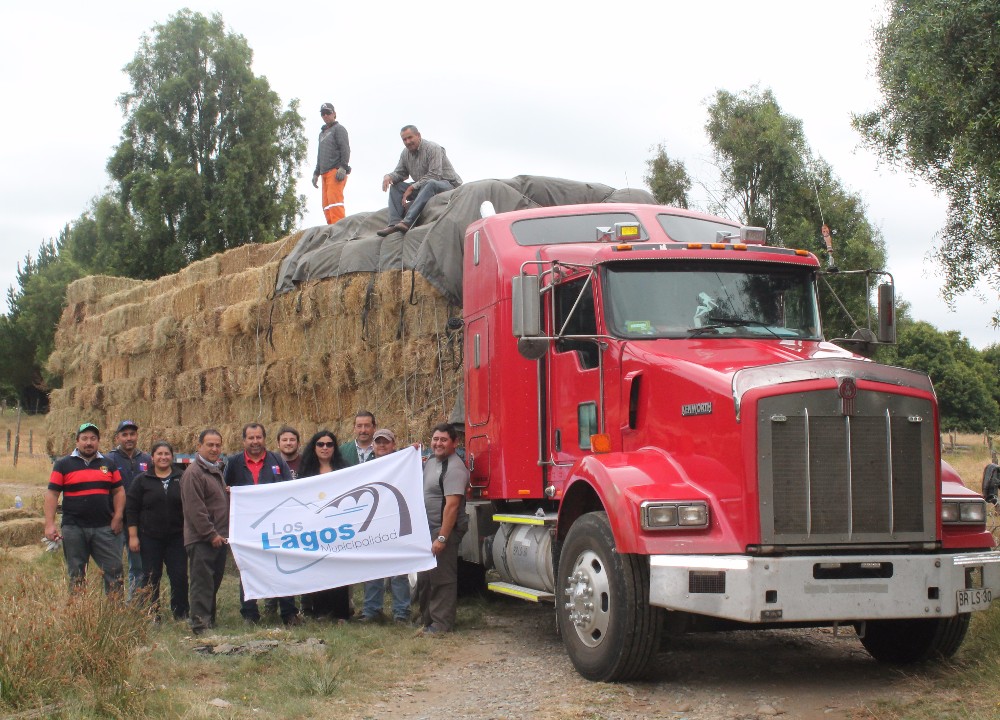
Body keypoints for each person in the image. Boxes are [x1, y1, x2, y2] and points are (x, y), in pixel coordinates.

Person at [224, 423, 299, 626]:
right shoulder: (233, 463)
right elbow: (225, 490)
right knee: (247, 569)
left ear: (264, 439)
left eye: (259, 437)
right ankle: (249, 613)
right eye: (251, 438)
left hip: (275, 525)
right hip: (247, 527)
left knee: (283, 566)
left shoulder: (277, 461)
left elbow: (288, 490)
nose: (255, 442)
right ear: (244, 441)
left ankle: (289, 613)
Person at [44, 422, 125, 594]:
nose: (89, 443)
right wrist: (49, 524)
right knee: (77, 573)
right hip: (74, 527)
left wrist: (118, 516)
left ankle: (115, 614)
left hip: (104, 527)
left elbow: (119, 491)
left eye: (93, 439)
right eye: (85, 438)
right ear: (77, 441)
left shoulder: (108, 464)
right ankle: (78, 614)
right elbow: (52, 494)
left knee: (114, 570)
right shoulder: (63, 464)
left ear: (98, 441)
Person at [415, 423, 469, 635]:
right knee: (426, 578)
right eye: (435, 439)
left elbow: (452, 505)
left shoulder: (454, 468)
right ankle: (427, 619)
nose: (438, 443)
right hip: (427, 529)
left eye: (443, 440)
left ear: (455, 443)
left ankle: (441, 624)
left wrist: (443, 537)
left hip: (442, 529)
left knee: (442, 579)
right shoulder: (431, 461)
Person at [125, 441, 188, 621]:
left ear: (172, 456)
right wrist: (133, 536)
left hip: (177, 537)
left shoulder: (182, 478)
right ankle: (153, 614)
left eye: (167, 454)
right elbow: (131, 509)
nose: (163, 457)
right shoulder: (142, 480)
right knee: (151, 577)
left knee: (179, 576)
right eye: (159, 454)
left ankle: (181, 613)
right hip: (150, 537)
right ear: (152, 457)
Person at [358, 428, 412, 624]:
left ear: (394, 444)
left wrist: (413, 453)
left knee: (399, 571)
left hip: (397, 522)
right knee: (372, 569)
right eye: (378, 442)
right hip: (373, 523)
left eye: (386, 442)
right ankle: (372, 611)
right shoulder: (365, 467)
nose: (382, 445)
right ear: (372, 445)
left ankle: (401, 613)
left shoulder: (403, 464)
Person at [298, 430, 352, 621]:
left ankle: (341, 613)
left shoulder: (344, 470)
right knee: (318, 568)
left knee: (338, 569)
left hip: (338, 526)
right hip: (315, 527)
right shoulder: (306, 472)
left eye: (329, 444)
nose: (325, 448)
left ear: (334, 448)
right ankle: (320, 611)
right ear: (314, 447)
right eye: (320, 444)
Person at [181, 429, 229, 635]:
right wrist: (211, 534)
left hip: (218, 538)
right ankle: (200, 625)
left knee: (213, 581)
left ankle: (209, 621)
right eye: (210, 445)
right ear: (199, 445)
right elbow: (195, 509)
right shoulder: (194, 473)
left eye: (218, 445)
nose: (214, 449)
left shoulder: (215, 470)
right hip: (203, 539)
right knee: (202, 582)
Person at [375, 125, 462, 237]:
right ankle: (394, 223)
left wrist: (413, 187)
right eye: (404, 139)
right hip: (423, 187)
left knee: (430, 183)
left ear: (418, 135)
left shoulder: (433, 148)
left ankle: (407, 221)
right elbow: (401, 173)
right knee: (396, 187)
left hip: (447, 185)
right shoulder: (405, 153)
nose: (408, 141)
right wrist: (389, 176)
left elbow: (435, 175)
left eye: (410, 137)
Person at [107, 419, 153, 599]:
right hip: (116, 521)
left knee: (138, 565)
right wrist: (112, 515)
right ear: (117, 437)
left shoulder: (147, 459)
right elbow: (104, 490)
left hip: (139, 522)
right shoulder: (109, 459)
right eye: (124, 434)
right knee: (114, 565)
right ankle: (114, 604)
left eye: (132, 434)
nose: (129, 438)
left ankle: (133, 603)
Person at [311, 103, 351, 224]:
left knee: (335, 202)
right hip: (324, 173)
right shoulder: (322, 134)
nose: (325, 116)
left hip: (335, 171)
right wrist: (316, 173)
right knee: (326, 205)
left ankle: (339, 229)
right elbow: (320, 154)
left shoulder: (339, 129)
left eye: (328, 113)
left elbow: (345, 149)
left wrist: (343, 167)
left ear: (334, 114)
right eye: (323, 113)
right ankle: (331, 229)